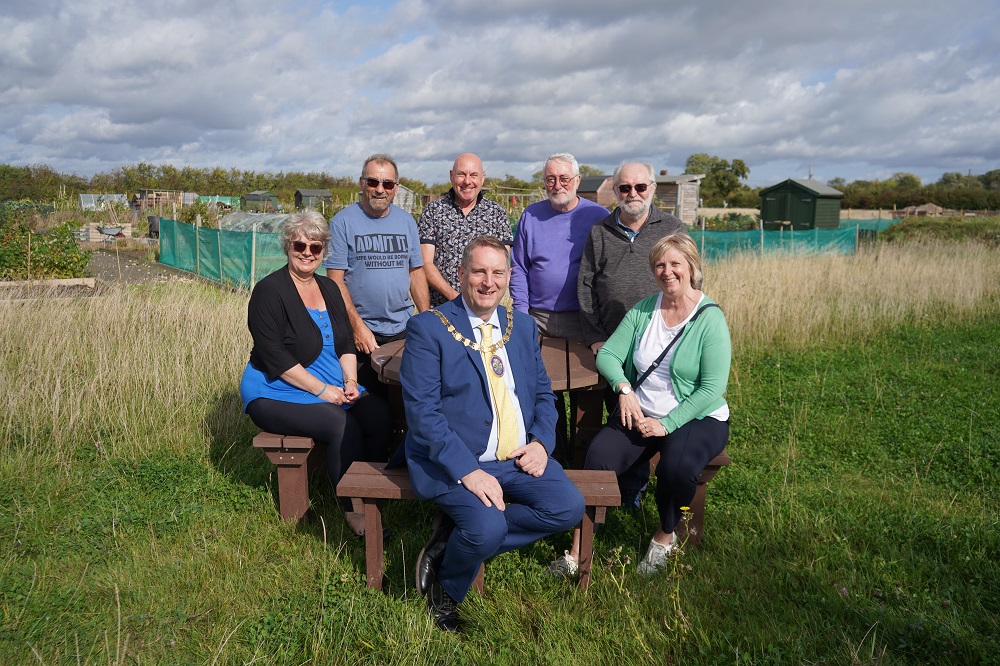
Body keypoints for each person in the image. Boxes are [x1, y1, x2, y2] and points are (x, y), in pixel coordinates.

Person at [400, 236, 585, 632]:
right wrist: (467, 471)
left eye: (498, 273)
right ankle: (445, 595)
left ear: (508, 277)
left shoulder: (521, 328)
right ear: (461, 274)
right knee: (488, 527)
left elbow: (542, 393)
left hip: (517, 457)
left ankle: (451, 544)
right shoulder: (428, 328)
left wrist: (541, 443)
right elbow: (423, 413)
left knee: (568, 508)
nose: (488, 282)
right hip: (454, 462)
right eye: (479, 271)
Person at [550, 232, 730, 577]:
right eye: (660, 264)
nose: (667, 271)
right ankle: (578, 547)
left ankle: (664, 536)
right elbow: (610, 355)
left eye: (675, 263)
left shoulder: (710, 319)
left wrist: (667, 423)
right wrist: (623, 388)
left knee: (675, 468)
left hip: (696, 417)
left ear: (691, 266)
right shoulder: (645, 309)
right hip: (640, 409)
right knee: (597, 457)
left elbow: (712, 388)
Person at [240, 210, 393, 537]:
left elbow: (344, 342)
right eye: (299, 245)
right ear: (288, 246)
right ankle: (352, 510)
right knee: (342, 424)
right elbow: (274, 355)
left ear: (323, 250)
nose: (307, 253)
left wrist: (350, 381)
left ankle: (372, 490)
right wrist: (322, 391)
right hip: (275, 389)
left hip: (333, 383)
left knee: (381, 415)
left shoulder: (330, 288)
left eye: (315, 247)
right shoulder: (270, 291)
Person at [577, 160, 689, 504]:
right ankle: (622, 487)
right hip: (615, 343)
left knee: (656, 407)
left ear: (652, 189)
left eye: (641, 187)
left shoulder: (672, 227)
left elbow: (692, 280)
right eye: (625, 188)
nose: (633, 194)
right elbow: (585, 287)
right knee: (623, 412)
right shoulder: (599, 232)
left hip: (663, 342)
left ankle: (643, 485)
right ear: (615, 190)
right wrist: (596, 336)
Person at [323, 153, 430, 400]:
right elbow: (335, 281)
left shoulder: (406, 222)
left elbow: (415, 272)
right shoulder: (342, 222)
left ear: (396, 188)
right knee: (368, 403)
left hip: (402, 329)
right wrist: (358, 327)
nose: (380, 189)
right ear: (361, 183)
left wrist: (424, 320)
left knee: (406, 399)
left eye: (387, 184)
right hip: (361, 334)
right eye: (373, 182)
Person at [510, 152, 608, 340]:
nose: (557, 186)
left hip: (583, 319)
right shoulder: (531, 215)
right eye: (550, 180)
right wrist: (522, 314)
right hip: (536, 318)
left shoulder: (598, 216)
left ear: (577, 181)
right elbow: (519, 268)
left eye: (564, 179)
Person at [417, 153, 513, 306]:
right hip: (442, 308)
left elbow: (501, 265)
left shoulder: (497, 213)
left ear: (482, 178)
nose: (467, 181)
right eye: (461, 174)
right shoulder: (433, 211)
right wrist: (455, 298)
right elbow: (425, 263)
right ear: (451, 176)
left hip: (484, 310)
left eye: (473, 175)